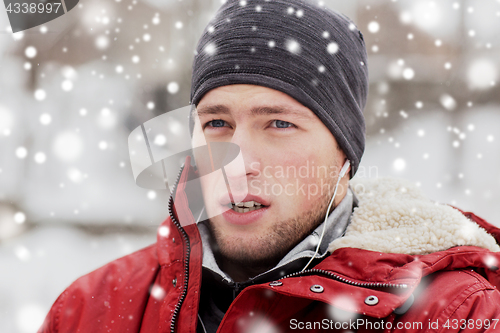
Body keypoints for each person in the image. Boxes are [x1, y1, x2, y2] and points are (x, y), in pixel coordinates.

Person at [39, 0, 500, 332]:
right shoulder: (91, 309)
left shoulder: (458, 315)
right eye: (217, 122)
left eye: (278, 123)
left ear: (344, 153)